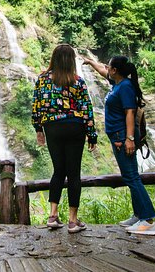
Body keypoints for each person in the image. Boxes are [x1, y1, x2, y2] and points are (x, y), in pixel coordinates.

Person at [83, 55, 155, 236]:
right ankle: (138, 215)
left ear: (115, 70)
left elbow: (130, 113)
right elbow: (102, 71)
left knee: (132, 177)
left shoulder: (124, 87)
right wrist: (90, 62)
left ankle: (148, 220)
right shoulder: (118, 83)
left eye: (108, 65)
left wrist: (129, 139)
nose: (105, 67)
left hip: (122, 136)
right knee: (129, 176)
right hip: (117, 136)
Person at [32, 44, 97, 233]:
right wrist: (92, 135)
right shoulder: (77, 81)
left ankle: (52, 216)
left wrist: (39, 129)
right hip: (75, 127)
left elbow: (37, 105)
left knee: (58, 171)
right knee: (73, 173)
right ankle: (73, 221)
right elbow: (86, 109)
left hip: (52, 127)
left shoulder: (42, 79)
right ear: (71, 60)